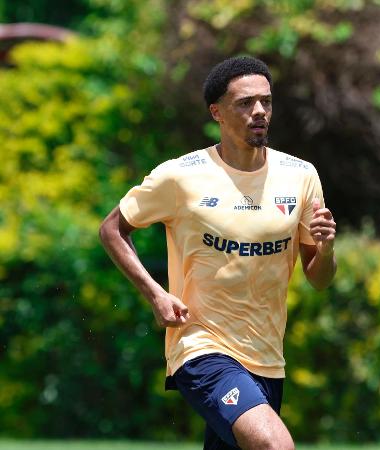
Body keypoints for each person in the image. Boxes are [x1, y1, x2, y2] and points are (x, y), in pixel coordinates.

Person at [99, 56, 337, 450]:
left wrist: (326, 249)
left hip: (267, 357)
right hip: (201, 346)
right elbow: (112, 229)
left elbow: (319, 278)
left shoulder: (301, 175)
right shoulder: (180, 176)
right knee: (276, 445)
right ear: (217, 113)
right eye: (245, 103)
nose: (259, 111)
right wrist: (154, 293)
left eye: (266, 101)